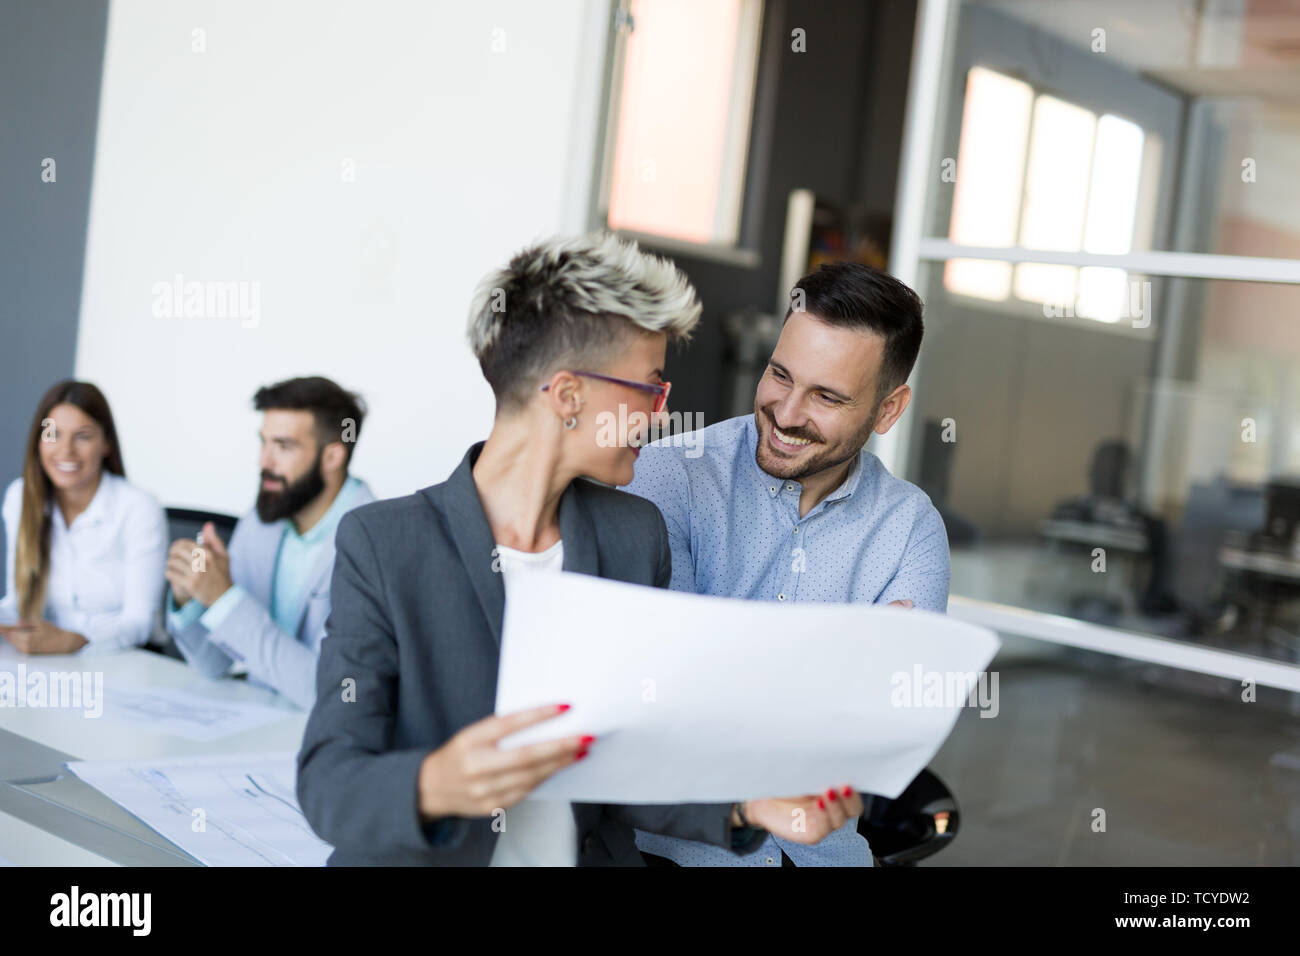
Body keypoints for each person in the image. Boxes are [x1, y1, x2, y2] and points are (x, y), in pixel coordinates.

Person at [297, 233, 864, 865]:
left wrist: (746, 805)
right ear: (568, 395)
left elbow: (627, 762)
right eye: (651, 387)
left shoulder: (633, 536)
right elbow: (328, 782)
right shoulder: (386, 543)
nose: (659, 414)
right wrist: (437, 783)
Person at [627, 260, 951, 867]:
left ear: (888, 410)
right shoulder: (668, 477)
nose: (785, 411)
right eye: (780, 373)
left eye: (826, 396)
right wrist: (840, 672)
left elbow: (887, 733)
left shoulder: (911, 530)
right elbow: (666, 701)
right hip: (677, 854)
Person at [163, 376, 373, 709]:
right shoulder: (264, 519)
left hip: (323, 743)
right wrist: (192, 595)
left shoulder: (374, 543)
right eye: (264, 443)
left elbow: (329, 691)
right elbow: (214, 664)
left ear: (332, 456)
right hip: (257, 725)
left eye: (283, 446)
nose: (264, 461)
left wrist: (224, 599)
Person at [0, 380, 166, 654]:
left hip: (122, 661)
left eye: (83, 436)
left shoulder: (139, 508)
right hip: (49, 661)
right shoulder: (20, 497)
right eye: (53, 434)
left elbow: (140, 622)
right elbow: (19, 603)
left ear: (106, 444)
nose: (65, 451)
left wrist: (75, 640)